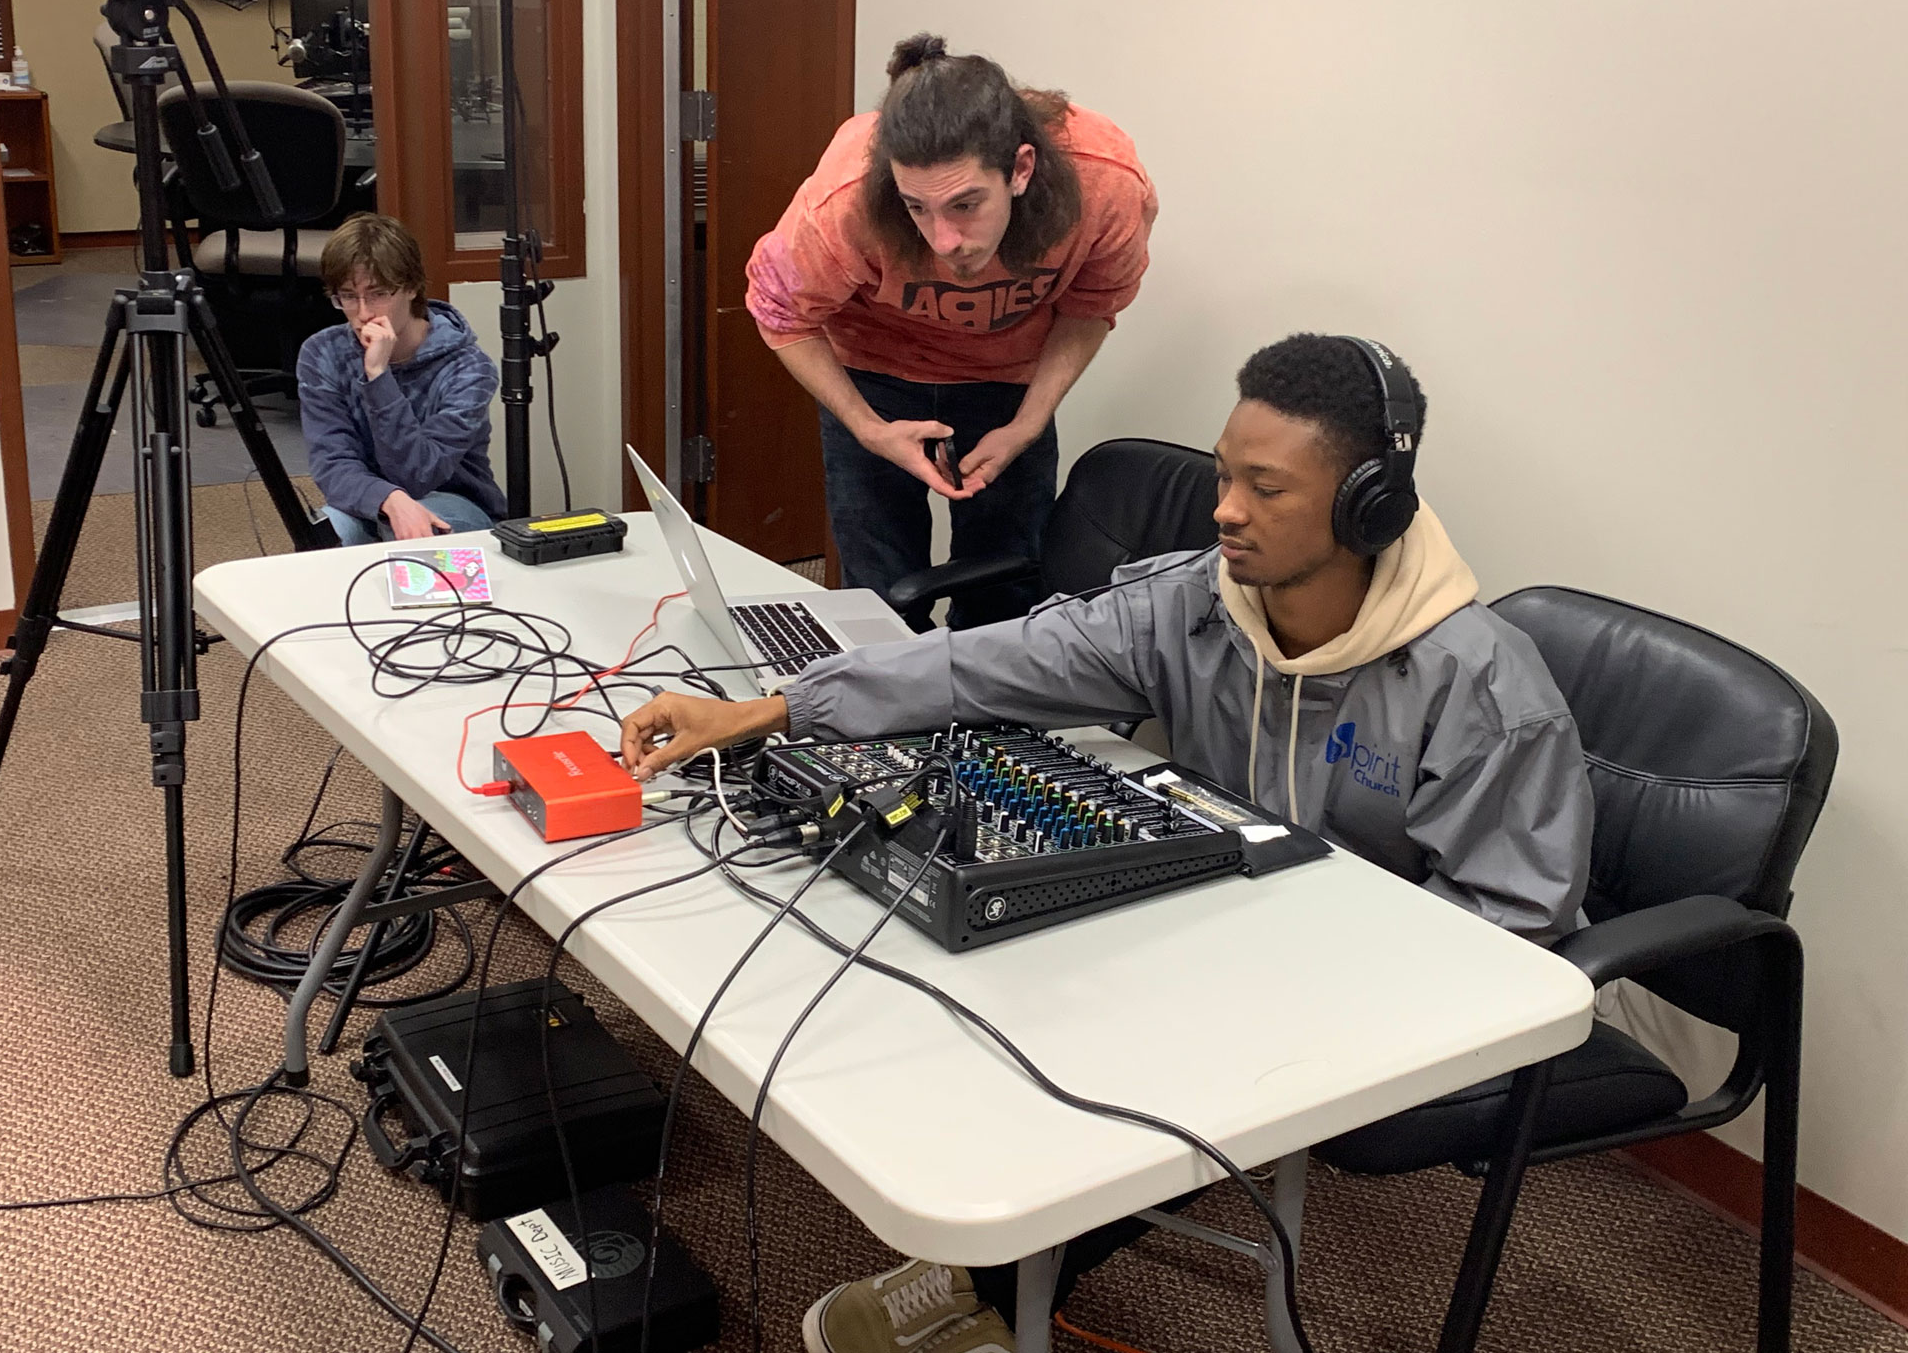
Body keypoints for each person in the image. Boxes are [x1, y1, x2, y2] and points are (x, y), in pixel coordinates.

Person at [618, 334, 1594, 1353]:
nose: (1224, 509)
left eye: (1263, 488)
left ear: (1367, 507)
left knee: (1112, 1038)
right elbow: (987, 667)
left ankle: (987, 1287)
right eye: (1224, 476)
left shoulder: (1479, 687)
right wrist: (776, 709)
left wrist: (1321, 974)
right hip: (1229, 918)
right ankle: (990, 1275)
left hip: (1371, 990)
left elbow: (1511, 935)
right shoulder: (1196, 599)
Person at [746, 33, 1159, 628]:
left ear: (1020, 169)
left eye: (965, 205)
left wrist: (1028, 423)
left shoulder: (1106, 184)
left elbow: (1091, 304)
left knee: (1008, 584)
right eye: (917, 208)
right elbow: (780, 314)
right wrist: (865, 428)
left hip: (1011, 377)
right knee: (878, 592)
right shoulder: (841, 202)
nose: (944, 242)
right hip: (874, 374)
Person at [296, 213, 506, 545]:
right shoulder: (322, 354)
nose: (363, 313)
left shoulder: (468, 368)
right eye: (348, 297)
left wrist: (378, 376)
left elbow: (418, 474)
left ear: (410, 287)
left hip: (452, 499)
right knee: (323, 537)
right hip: (368, 501)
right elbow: (333, 464)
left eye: (377, 294)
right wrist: (388, 500)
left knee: (411, 533)